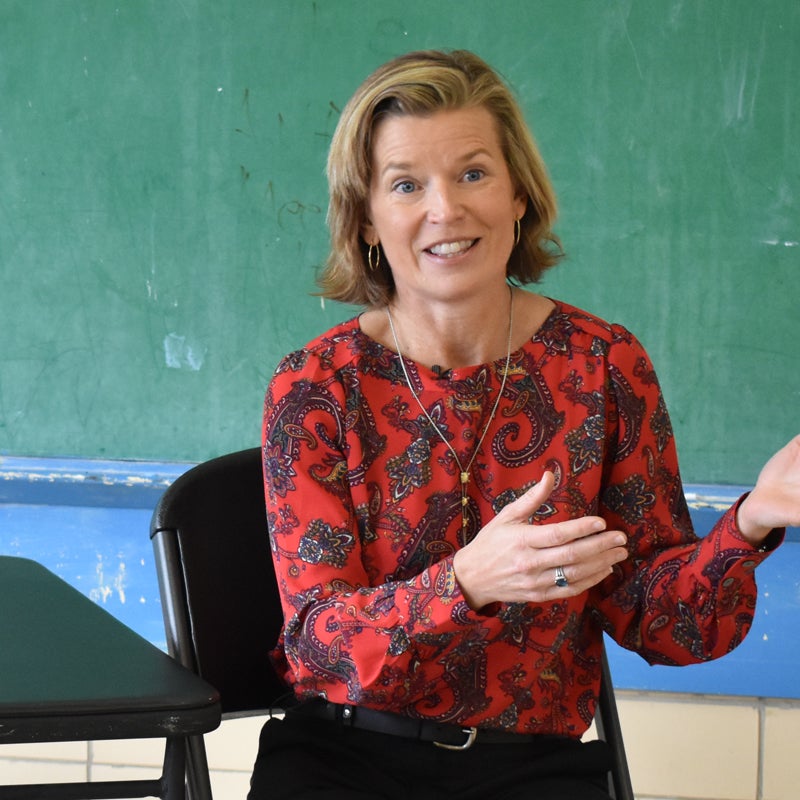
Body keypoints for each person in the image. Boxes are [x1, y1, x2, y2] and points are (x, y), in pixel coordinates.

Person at [250, 49, 800, 800]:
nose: (446, 210)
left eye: (473, 173)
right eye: (407, 185)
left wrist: (755, 522)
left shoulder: (604, 364)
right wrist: (468, 581)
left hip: (533, 766)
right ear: (368, 220)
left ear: (518, 196)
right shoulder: (316, 386)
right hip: (343, 760)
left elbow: (664, 622)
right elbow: (320, 645)